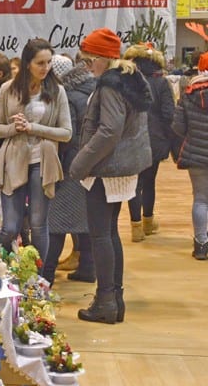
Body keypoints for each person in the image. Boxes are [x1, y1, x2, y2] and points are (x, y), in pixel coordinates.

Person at [70, 28, 152, 324]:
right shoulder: (130, 80)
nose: (87, 66)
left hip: (105, 169)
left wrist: (80, 164)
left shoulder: (110, 85)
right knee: (110, 233)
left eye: (89, 59)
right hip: (121, 168)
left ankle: (105, 301)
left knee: (100, 235)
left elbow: (109, 131)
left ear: (103, 58)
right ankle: (114, 299)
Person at [0, 38, 72, 266]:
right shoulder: (8, 89)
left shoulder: (57, 91)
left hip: (42, 162)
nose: (45, 68)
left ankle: (37, 279)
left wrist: (33, 128)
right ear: (28, 63)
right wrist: (14, 128)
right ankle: (0, 272)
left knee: (38, 225)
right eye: (40, 63)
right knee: (10, 227)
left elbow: (66, 133)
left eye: (48, 62)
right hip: (13, 161)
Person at [42, 56, 96, 285]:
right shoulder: (90, 89)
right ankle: (88, 268)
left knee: (56, 221)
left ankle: (45, 275)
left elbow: (68, 136)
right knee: (84, 218)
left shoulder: (68, 95)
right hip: (90, 161)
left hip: (71, 164)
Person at [122, 43, 175, 241]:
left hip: (130, 138)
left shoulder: (126, 82)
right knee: (149, 181)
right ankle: (148, 221)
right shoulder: (162, 83)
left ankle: (135, 227)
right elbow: (169, 114)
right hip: (155, 140)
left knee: (134, 185)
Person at [171, 69, 208, 260]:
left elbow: (177, 127)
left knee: (200, 199)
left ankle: (201, 244)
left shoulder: (188, 94)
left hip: (196, 155)